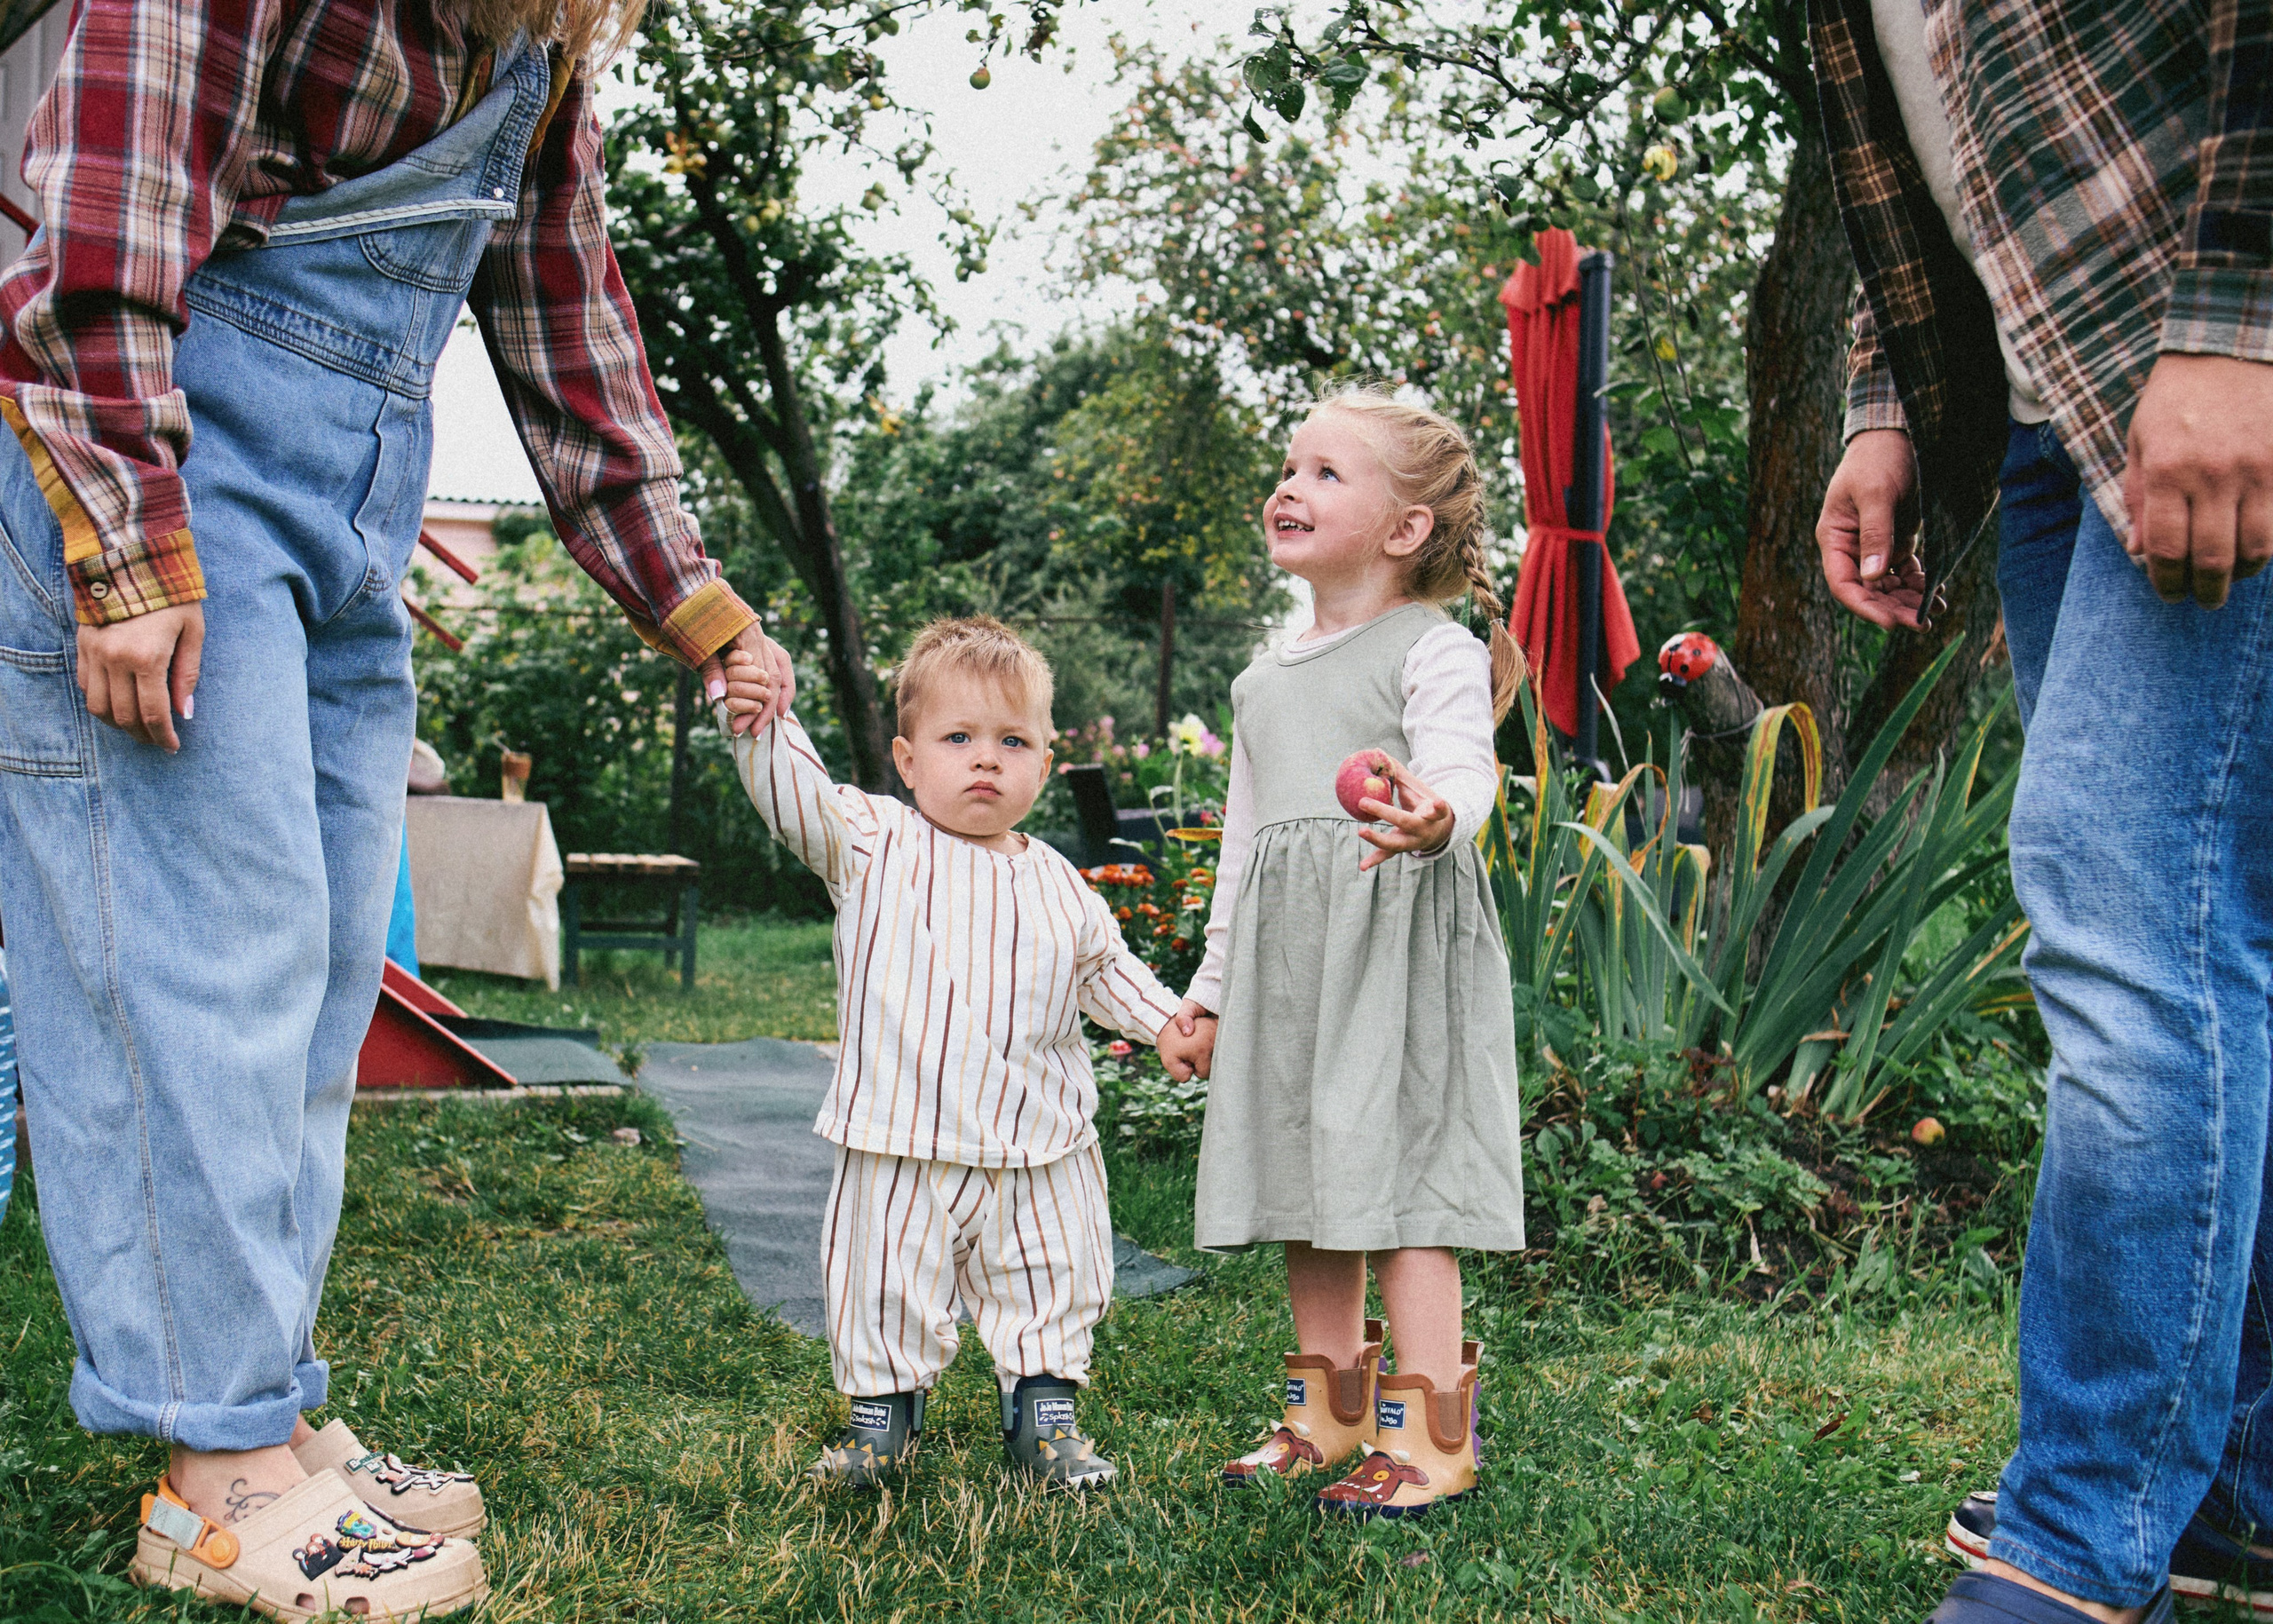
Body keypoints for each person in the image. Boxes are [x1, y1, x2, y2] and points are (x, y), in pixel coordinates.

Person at [0, 2, 786, 1616]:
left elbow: (574, 335)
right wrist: (129, 550)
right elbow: (104, 208)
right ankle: (211, 1479)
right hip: (163, 473)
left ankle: (268, 1416)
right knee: (198, 966)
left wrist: (704, 609)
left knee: (319, 965)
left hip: (356, 505)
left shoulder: (533, 47)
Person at [1808, 1, 2273, 1620]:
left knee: (2123, 915)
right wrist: (1887, 407)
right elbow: (1918, 146)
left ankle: (2079, 1532)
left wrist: (2240, 321)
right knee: (2207, 934)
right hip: (2034, 404)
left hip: (2197, 351)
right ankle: (2233, 1490)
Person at [1156, 386, 1525, 1518]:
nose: (1288, 486)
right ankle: (1330, 1413)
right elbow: (1243, 847)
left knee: (1404, 1180)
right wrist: (1211, 991)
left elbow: (1468, 769)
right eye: (1287, 466)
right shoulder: (1261, 682)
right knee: (1309, 1176)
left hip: (1397, 952)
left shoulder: (1434, 649)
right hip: (1293, 965)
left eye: (1325, 472)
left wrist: (1435, 818)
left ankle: (1431, 1435)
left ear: (1405, 528)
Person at [720, 617, 1186, 1490]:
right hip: (900, 1137)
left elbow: (1104, 969)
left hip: (1038, 1145)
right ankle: (880, 1425)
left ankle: (1044, 1419)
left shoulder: (1056, 879)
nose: (985, 759)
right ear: (906, 758)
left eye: (1012, 740)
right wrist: (757, 720)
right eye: (958, 737)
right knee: (881, 1282)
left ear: (1043, 764)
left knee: (1052, 1276)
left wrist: (1165, 1023)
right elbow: (795, 793)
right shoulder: (871, 842)